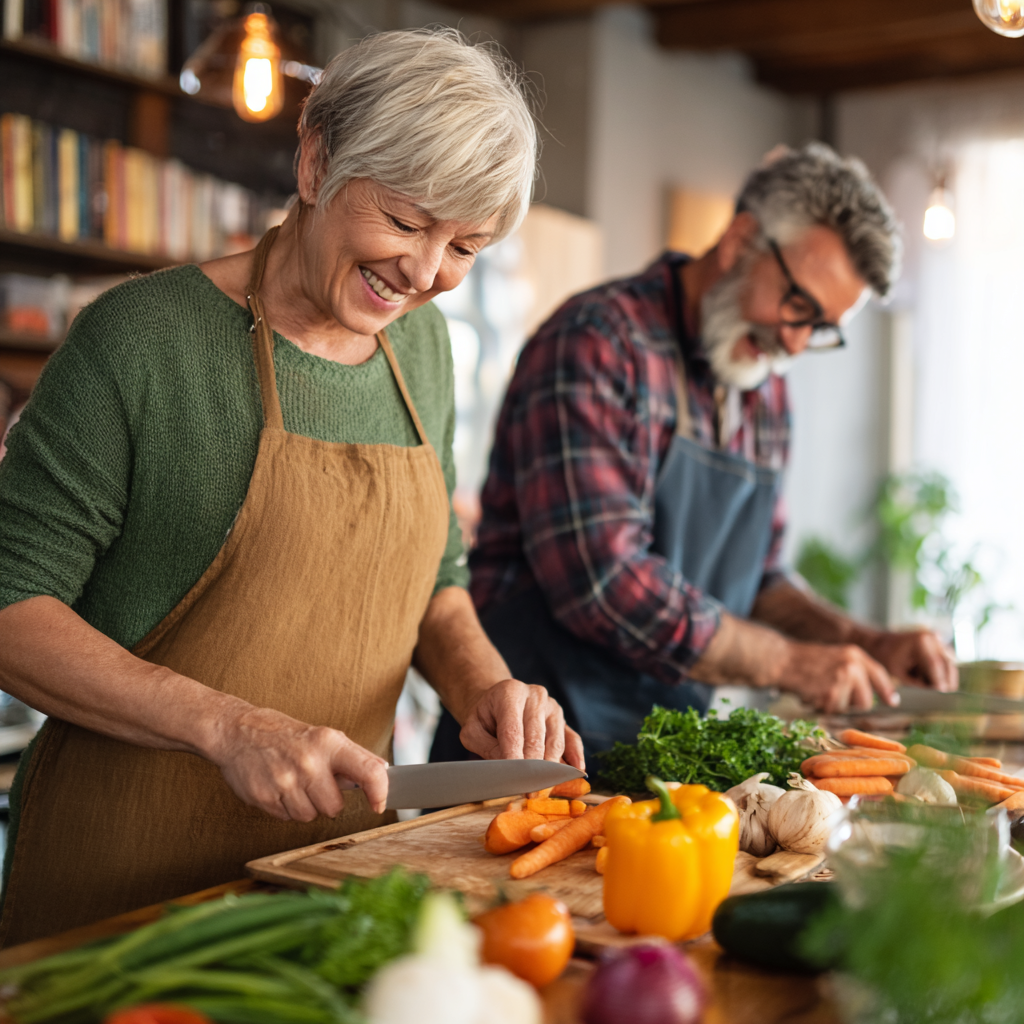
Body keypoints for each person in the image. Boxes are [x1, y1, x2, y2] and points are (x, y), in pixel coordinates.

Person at [0, 28, 582, 946]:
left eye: (464, 245)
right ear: (315, 162)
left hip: (332, 875)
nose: (426, 275)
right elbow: (9, 606)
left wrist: (486, 686)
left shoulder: (423, 350)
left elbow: (434, 576)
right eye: (404, 222)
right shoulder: (141, 342)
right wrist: (228, 727)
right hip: (119, 883)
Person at [432, 143, 957, 765]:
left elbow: (758, 578)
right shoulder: (598, 343)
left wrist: (862, 642)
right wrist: (790, 663)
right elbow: (603, 582)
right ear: (740, 241)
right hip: (532, 750)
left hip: (663, 754)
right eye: (797, 307)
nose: (793, 341)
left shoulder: (765, 389)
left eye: (820, 328)